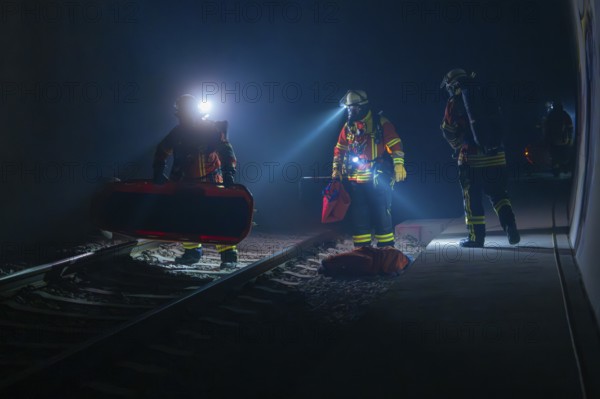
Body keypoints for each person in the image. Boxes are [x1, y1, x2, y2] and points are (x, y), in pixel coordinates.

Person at [153, 94, 238, 267]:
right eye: (182, 113)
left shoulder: (210, 129)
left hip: (212, 181)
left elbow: (226, 150)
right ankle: (192, 253)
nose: (185, 116)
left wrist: (229, 173)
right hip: (185, 182)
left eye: (187, 112)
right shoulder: (177, 133)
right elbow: (162, 150)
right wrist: (158, 169)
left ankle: (228, 256)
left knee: (218, 217)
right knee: (186, 216)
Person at [440, 68, 520, 247]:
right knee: (500, 196)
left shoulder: (455, 101)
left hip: (472, 159)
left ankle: (476, 238)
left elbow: (448, 130)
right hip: (497, 155)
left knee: (472, 198)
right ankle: (510, 227)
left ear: (453, 85)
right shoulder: (486, 95)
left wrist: (456, 145)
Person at [331, 89, 406, 248]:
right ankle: (362, 250)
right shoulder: (348, 127)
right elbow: (339, 149)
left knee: (381, 214)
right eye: (349, 108)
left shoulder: (381, 123)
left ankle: (386, 249)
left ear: (363, 107)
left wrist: (399, 164)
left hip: (377, 178)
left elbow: (395, 145)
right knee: (359, 215)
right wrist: (336, 169)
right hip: (355, 180)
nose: (351, 111)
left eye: (354, 108)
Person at [541, 101, 574, 176]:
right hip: (563, 141)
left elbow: (546, 129)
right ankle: (561, 168)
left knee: (555, 156)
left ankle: (558, 169)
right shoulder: (564, 114)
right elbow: (570, 127)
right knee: (561, 156)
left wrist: (546, 139)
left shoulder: (551, 115)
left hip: (554, 141)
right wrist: (570, 139)